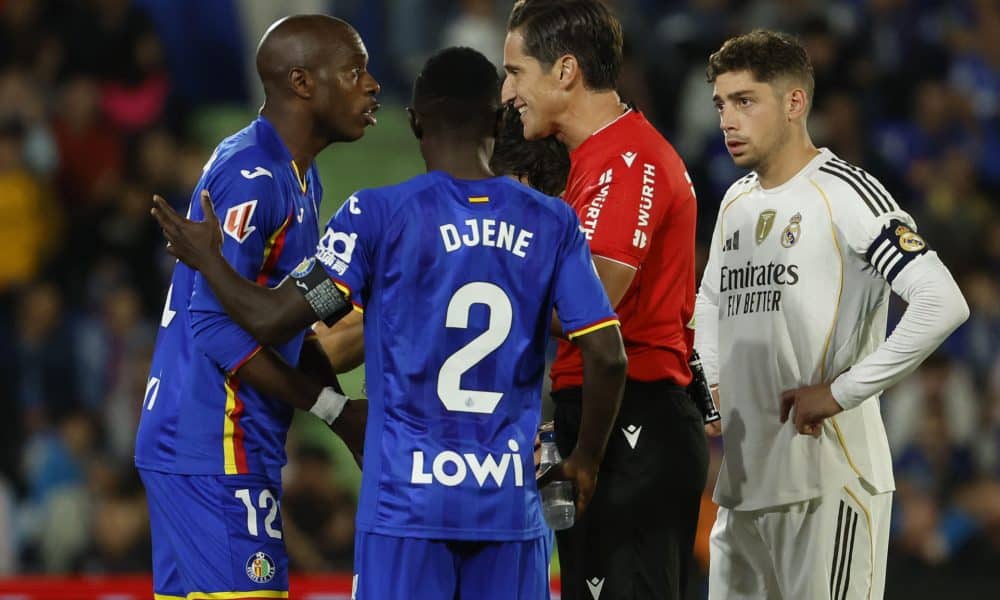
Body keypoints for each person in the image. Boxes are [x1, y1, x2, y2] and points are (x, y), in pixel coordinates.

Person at [151, 46, 628, 600]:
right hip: (506, 504)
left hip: (406, 505)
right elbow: (608, 355)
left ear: (414, 121)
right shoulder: (552, 223)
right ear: (499, 120)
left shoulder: (374, 216)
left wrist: (209, 259)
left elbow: (273, 316)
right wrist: (586, 459)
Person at [695, 30, 970, 599]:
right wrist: (712, 386)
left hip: (830, 478)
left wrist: (841, 392)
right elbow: (712, 301)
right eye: (721, 103)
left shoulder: (846, 192)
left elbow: (941, 300)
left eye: (745, 101)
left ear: (795, 103)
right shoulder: (736, 199)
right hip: (744, 485)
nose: (727, 119)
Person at [134, 15, 378, 600]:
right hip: (212, 444)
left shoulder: (299, 178)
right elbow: (216, 326)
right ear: (301, 82)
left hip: (212, 442)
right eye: (354, 71)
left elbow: (285, 326)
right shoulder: (254, 176)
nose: (371, 85)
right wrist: (334, 411)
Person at [501, 2, 709, 598]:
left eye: (516, 72)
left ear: (565, 71)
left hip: (633, 420)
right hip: (607, 420)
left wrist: (477, 274)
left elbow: (588, 306)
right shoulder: (594, 161)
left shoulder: (626, 162)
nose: (508, 91)